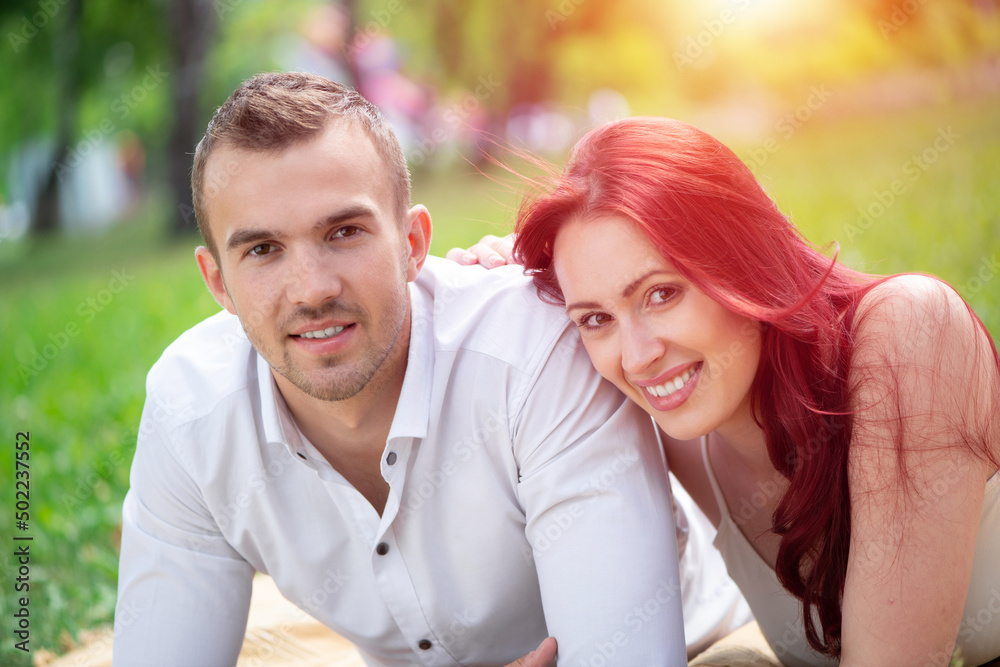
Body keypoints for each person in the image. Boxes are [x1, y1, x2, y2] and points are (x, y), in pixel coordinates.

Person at [112, 74, 750, 666]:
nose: (311, 289)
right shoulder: (190, 412)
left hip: (702, 642)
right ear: (217, 281)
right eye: (263, 250)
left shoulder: (532, 351)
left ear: (413, 244)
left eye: (344, 232)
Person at [450, 117, 1000, 666]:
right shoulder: (679, 433)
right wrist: (493, 303)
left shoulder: (910, 331)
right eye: (595, 319)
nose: (637, 357)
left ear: (743, 260)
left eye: (661, 293)